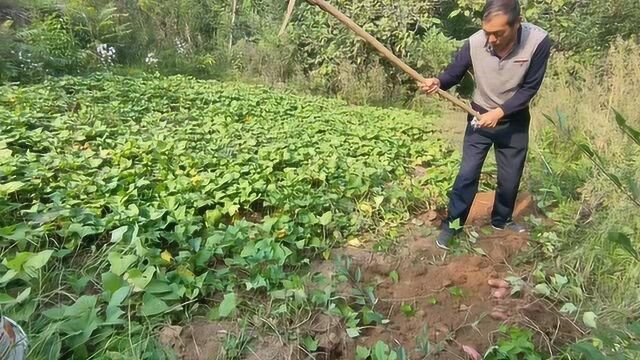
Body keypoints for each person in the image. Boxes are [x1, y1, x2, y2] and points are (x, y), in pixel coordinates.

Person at [419, 0, 551, 250]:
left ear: (517, 24)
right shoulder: (475, 42)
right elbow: (453, 74)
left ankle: (502, 220)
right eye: (487, 32)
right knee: (467, 175)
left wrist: (500, 112)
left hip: (514, 121)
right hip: (479, 118)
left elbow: (530, 88)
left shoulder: (538, 42)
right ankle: (453, 226)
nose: (491, 39)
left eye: (498, 33)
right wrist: (437, 81)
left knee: (510, 178)